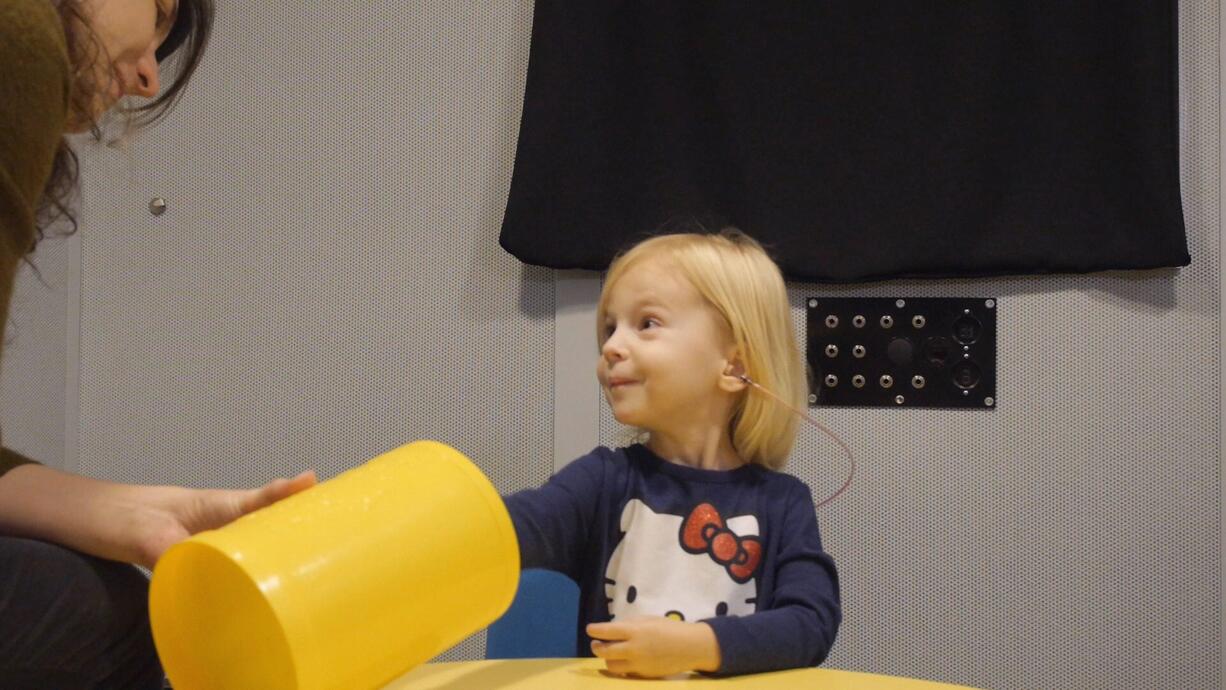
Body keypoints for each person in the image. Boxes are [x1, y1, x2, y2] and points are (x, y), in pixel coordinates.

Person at [0, 1, 315, 687]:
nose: (148, 77)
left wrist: (140, 515)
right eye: (159, 10)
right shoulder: (21, 35)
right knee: (95, 619)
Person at [504, 229, 841, 677]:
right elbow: (510, 531)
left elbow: (811, 623)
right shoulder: (601, 480)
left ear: (735, 367)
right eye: (609, 327)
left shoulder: (783, 503)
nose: (610, 347)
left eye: (646, 323)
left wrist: (699, 646)